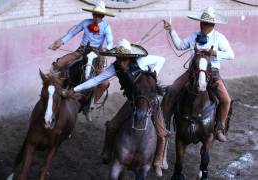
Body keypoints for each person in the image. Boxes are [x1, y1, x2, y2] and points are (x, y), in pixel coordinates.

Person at [71, 39, 169, 176]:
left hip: (151, 101)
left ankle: (158, 161)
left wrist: (152, 75)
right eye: (119, 58)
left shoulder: (141, 61)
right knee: (112, 126)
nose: (121, 62)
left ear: (130, 57)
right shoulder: (114, 67)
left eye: (124, 59)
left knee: (161, 132)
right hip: (133, 102)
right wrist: (74, 89)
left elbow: (161, 60)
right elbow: (96, 80)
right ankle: (107, 152)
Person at [163, 7, 235, 142]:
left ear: (213, 25)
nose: (203, 25)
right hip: (193, 72)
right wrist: (171, 30)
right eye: (202, 22)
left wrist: (214, 53)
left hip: (212, 73)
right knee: (172, 90)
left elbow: (231, 54)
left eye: (207, 24)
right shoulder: (193, 35)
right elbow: (179, 45)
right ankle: (165, 123)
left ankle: (220, 127)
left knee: (226, 100)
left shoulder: (219, 38)